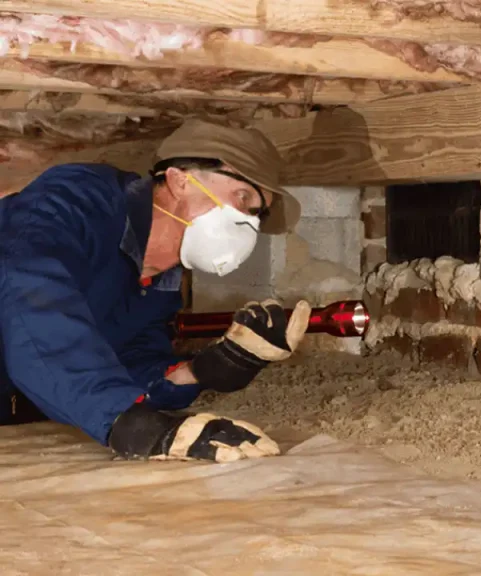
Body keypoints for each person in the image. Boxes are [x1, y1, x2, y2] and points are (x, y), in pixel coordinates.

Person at [0, 118, 312, 463]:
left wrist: (202, 371)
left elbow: (130, 369)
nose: (250, 224)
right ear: (180, 180)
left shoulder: (160, 289)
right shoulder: (77, 201)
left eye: (258, 214)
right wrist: (129, 423)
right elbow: (35, 302)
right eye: (243, 199)